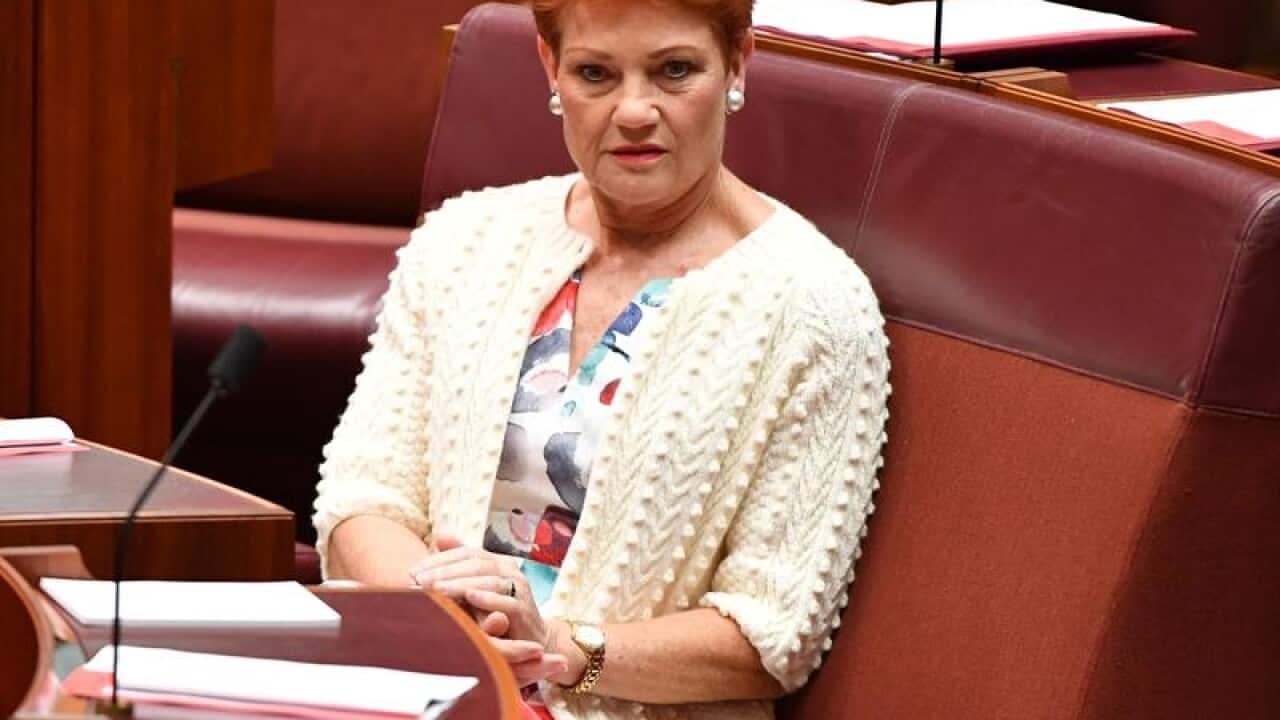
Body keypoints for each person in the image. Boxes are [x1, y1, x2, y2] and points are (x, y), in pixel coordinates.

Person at [312, 0, 890, 717]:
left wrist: (553, 647)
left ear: (738, 62)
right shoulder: (466, 240)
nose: (635, 111)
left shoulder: (813, 305)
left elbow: (770, 639)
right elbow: (362, 501)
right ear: (550, 68)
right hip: (416, 685)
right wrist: (445, 615)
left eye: (674, 71)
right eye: (596, 74)